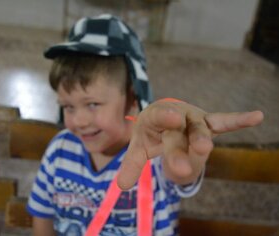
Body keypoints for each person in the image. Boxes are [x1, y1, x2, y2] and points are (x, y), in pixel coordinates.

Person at [27, 14, 263, 236]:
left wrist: (184, 164)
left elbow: (178, 171)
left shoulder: (156, 151)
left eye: (92, 104)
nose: (77, 120)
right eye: (68, 107)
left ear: (132, 96)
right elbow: (43, 213)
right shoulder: (59, 150)